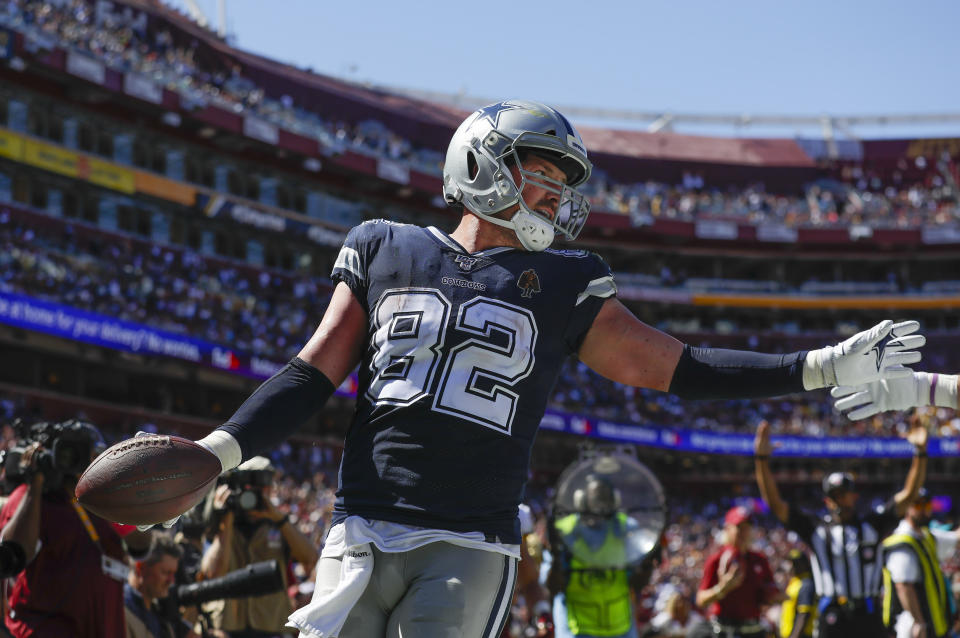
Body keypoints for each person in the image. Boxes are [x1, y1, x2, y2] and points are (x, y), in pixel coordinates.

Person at [140, 99, 924, 637]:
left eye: (561, 181)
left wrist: (817, 367)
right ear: (484, 164)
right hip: (360, 526)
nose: (555, 193)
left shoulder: (566, 281)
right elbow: (313, 371)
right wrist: (218, 452)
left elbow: (677, 367)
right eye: (541, 172)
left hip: (468, 540)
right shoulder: (386, 245)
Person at [754, 419, 928, 638]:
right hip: (833, 615)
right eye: (836, 496)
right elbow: (775, 504)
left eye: (845, 493)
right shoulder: (816, 530)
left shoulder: (872, 525)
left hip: (868, 613)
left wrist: (920, 453)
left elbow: (909, 495)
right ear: (828, 501)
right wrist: (761, 460)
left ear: (854, 495)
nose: (842, 500)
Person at [0, 420, 153, 638]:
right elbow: (14, 555)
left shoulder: (102, 502)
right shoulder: (30, 498)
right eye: (74, 454)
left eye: (94, 456)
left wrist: (111, 492)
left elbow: (142, 544)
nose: (86, 463)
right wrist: (36, 481)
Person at [199, 456, 318, 637]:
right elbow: (212, 573)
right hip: (229, 624)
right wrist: (226, 521)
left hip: (271, 623)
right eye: (252, 488)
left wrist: (279, 518)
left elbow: (310, 559)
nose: (259, 494)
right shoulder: (223, 522)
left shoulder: (279, 525)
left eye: (265, 488)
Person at [546, 474, 653, 638]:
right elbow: (553, 587)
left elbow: (637, 583)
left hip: (620, 627)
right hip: (577, 627)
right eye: (597, 497)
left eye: (605, 497)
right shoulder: (564, 530)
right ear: (581, 499)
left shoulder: (626, 527)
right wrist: (555, 553)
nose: (601, 504)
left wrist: (648, 562)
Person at [882, 487, 958, 638]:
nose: (923, 510)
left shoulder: (925, 536)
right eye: (918, 505)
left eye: (927, 505)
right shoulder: (902, 541)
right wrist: (918, 621)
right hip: (912, 628)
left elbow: (956, 538)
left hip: (934, 625)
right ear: (906, 508)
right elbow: (903, 586)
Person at [692, 506, 779, 638]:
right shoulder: (716, 560)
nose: (743, 532)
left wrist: (774, 597)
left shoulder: (759, 560)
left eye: (747, 527)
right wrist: (722, 589)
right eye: (739, 527)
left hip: (752, 630)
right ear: (727, 529)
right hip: (724, 630)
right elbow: (701, 600)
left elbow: (771, 590)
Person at [124, 532, 193, 638]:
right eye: (165, 572)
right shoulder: (121, 613)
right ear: (140, 568)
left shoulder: (160, 614)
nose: (171, 581)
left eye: (173, 574)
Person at [779, 549, 815, 638]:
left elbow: (803, 614)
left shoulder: (806, 584)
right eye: (791, 563)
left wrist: (794, 636)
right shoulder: (795, 581)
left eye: (795, 563)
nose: (791, 566)